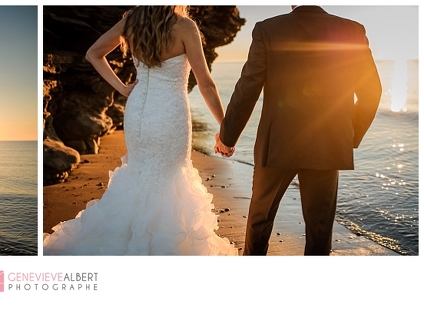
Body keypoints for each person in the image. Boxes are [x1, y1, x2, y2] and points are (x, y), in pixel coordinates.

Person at [43, 6, 237, 255]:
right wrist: (225, 128)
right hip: (170, 114)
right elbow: (206, 84)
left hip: (138, 113)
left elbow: (94, 54)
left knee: (140, 172)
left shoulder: (132, 21)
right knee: (169, 175)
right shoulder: (185, 26)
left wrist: (123, 89)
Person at [215, 5, 381, 255]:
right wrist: (348, 136)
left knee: (261, 218)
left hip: (277, 145)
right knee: (319, 227)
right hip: (328, 143)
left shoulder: (268, 29)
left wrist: (227, 137)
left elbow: (248, 88)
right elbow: (372, 92)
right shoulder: (352, 31)